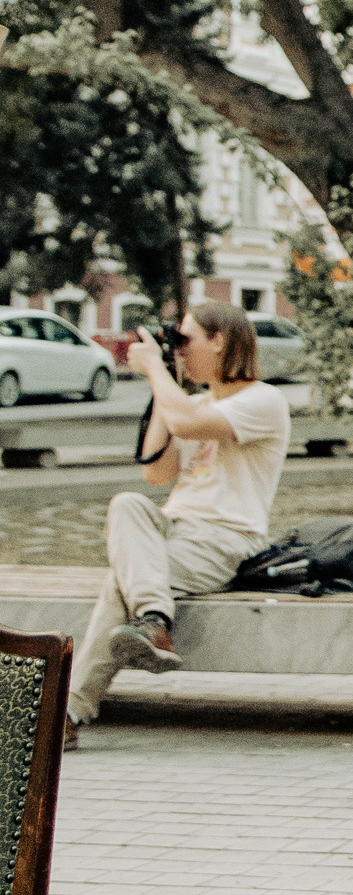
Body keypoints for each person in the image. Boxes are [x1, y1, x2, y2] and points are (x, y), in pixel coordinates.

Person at [67, 305, 291, 749]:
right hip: (172, 527)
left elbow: (187, 425)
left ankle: (69, 712)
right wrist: (163, 378)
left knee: (121, 583)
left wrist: (155, 371)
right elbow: (156, 473)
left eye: (185, 341)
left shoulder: (264, 400)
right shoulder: (194, 402)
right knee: (127, 503)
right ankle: (153, 620)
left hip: (226, 539)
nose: (179, 352)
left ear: (220, 341)